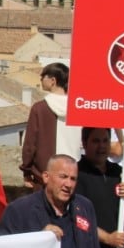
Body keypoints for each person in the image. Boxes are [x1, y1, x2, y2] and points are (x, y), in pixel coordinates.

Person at [20, 62, 81, 191]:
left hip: (45, 177)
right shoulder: (78, 107)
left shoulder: (39, 108)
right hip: (73, 173)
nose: (41, 80)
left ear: (53, 80)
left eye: (43, 77)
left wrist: (26, 171)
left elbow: (30, 144)